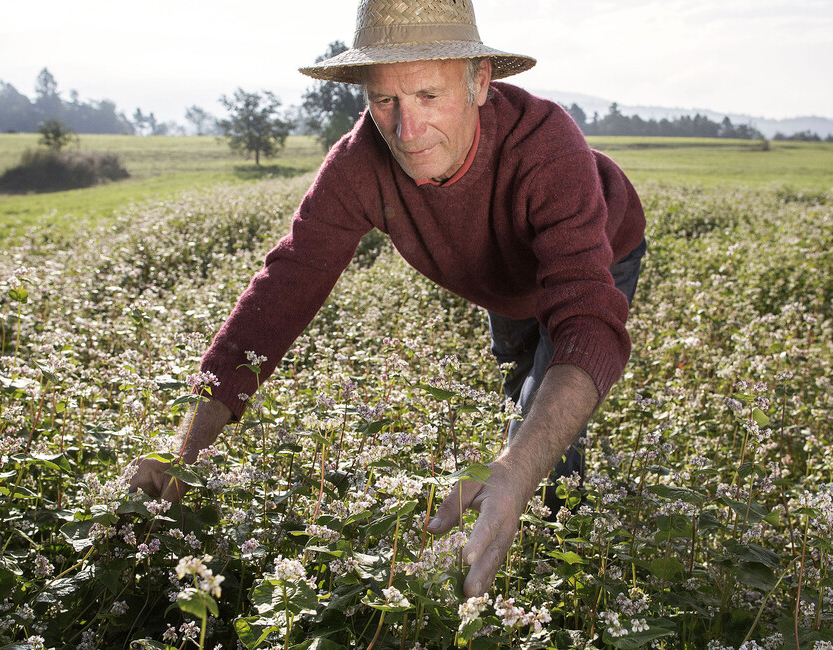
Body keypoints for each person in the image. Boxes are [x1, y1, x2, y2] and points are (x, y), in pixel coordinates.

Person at [129, 0, 647, 599]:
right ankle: (519, 473)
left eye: (429, 96)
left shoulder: (546, 148)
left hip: (599, 254)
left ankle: (562, 558)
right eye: (385, 102)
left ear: (481, 82)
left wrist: (517, 467)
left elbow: (587, 319)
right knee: (521, 384)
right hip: (497, 277)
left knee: (544, 415)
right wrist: (186, 453)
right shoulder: (359, 164)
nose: (407, 130)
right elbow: (284, 288)